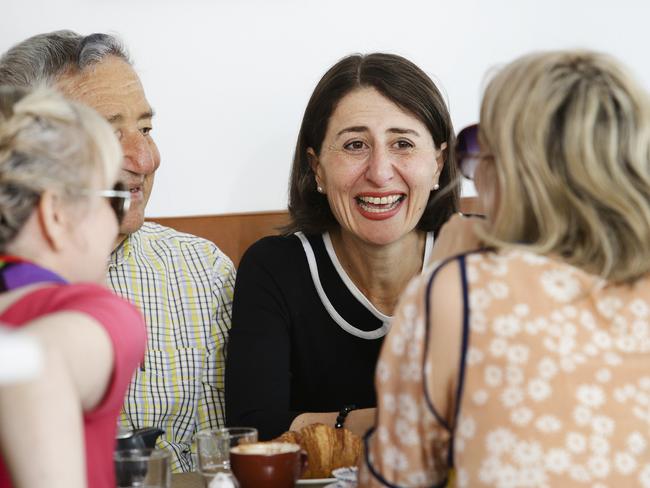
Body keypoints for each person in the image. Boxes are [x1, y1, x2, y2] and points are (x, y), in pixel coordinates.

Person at [360, 50, 650, 487]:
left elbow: (395, 479)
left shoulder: (458, 292)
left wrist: (444, 272)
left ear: (513, 171)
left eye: (479, 149)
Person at [0, 30, 236, 472]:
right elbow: (37, 365)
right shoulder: (104, 311)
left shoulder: (204, 269)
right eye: (107, 139)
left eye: (146, 128)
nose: (145, 159)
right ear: (52, 209)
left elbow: (220, 457)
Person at [226, 53, 459, 440]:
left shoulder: (485, 258)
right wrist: (395, 423)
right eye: (354, 145)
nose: (380, 172)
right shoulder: (274, 268)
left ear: (438, 162)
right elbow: (255, 429)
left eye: (402, 143)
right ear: (316, 168)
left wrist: (317, 425)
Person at [0, 86, 146, 488]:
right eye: (113, 199)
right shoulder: (94, 310)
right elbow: (35, 365)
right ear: (56, 214)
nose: (117, 223)